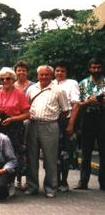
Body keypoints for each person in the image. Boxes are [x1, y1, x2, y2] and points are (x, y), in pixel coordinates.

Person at [25, 65, 69, 198]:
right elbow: (26, 106)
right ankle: (32, 186)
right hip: (32, 125)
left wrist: (53, 119)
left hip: (50, 125)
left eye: (47, 74)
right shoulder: (31, 89)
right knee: (31, 158)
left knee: (50, 159)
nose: (44, 77)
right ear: (37, 75)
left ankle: (50, 187)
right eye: (41, 74)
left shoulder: (59, 90)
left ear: (51, 75)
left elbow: (65, 110)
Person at [0, 67, 30, 190]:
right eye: (2, 79)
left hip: (14, 127)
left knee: (15, 154)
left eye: (8, 78)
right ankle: (2, 180)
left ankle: (17, 180)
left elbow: (27, 114)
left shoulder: (20, 94)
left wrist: (13, 119)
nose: (5, 81)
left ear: (13, 79)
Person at [75, 58, 105, 190]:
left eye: (98, 67)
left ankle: (103, 183)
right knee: (86, 151)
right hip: (87, 118)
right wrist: (87, 101)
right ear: (89, 68)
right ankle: (83, 182)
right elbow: (77, 104)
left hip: (103, 117)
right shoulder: (82, 84)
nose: (96, 70)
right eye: (93, 67)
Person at [52, 61, 80, 192]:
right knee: (54, 153)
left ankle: (64, 181)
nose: (59, 73)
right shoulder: (51, 83)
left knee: (65, 153)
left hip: (66, 120)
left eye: (62, 71)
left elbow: (76, 105)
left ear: (66, 72)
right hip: (53, 121)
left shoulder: (72, 83)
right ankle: (55, 180)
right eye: (57, 70)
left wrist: (71, 124)